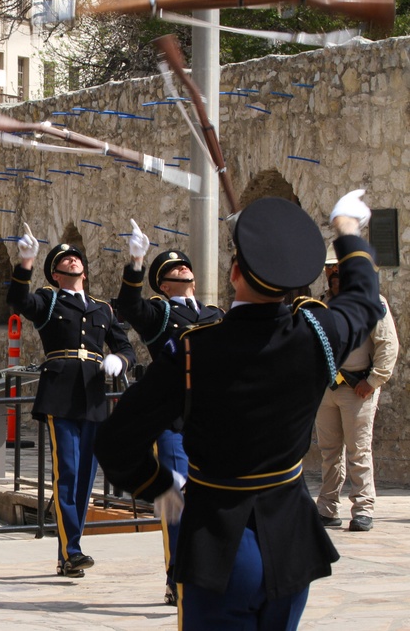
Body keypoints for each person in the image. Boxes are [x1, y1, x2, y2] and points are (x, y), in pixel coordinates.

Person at [95, 192, 384, 630]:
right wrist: (347, 229)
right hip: (290, 542)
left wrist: (160, 487)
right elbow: (363, 299)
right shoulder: (319, 335)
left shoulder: (192, 351)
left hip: (219, 542)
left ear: (234, 274)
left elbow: (116, 443)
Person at [6, 224, 135, 578]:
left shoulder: (102, 309)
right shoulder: (48, 301)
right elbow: (19, 302)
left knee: (85, 478)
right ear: (56, 272)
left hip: (92, 394)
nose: (73, 260)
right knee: (69, 472)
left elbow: (126, 347)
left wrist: (119, 361)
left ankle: (68, 552)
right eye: (65, 258)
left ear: (85, 269)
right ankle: (71, 549)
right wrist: (25, 264)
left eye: (77, 256)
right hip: (60, 395)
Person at [114, 220, 225, 605]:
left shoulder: (215, 315)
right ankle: (177, 576)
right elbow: (127, 306)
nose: (182, 269)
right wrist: (137, 261)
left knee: (214, 499)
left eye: (184, 266)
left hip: (214, 420)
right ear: (162, 285)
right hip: (174, 419)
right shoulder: (160, 314)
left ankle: (210, 571)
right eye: (172, 269)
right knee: (177, 499)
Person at [316, 244, 399, 532]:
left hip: (357, 389)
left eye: (340, 267)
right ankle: (326, 507)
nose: (335, 272)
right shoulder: (321, 302)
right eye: (331, 268)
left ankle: (363, 508)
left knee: (358, 451)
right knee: (329, 452)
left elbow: (388, 345)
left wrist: (374, 380)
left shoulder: (371, 302)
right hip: (328, 388)